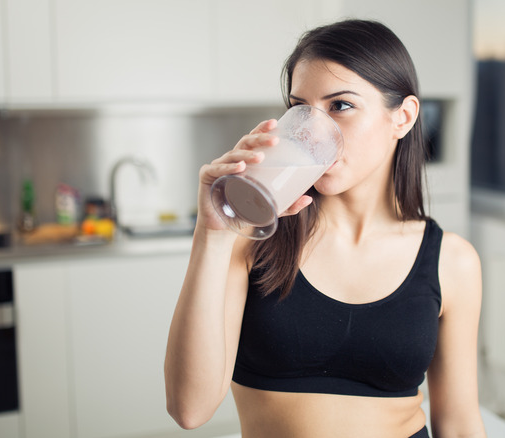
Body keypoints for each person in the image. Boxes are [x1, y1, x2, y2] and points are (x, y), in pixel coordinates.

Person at [164, 19, 486, 438]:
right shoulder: (253, 240)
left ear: (402, 118)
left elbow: (459, 424)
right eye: (302, 109)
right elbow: (189, 409)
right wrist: (212, 234)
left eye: (341, 106)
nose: (316, 132)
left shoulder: (451, 260)